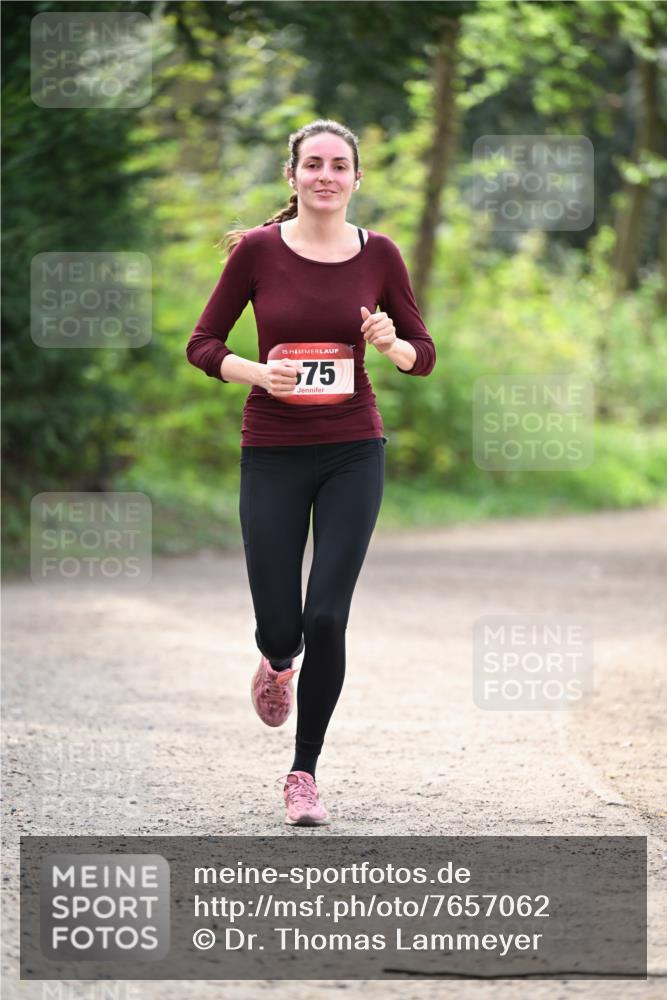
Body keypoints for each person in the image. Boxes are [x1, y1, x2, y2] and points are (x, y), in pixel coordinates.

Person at [186, 118, 436, 826]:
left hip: (354, 448)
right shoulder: (260, 252)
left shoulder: (380, 254)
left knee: (327, 615)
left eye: (338, 165)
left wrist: (391, 345)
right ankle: (274, 661)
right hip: (271, 450)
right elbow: (202, 343)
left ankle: (303, 773)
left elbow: (423, 351)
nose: (325, 175)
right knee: (280, 625)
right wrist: (257, 373)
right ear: (292, 176)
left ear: (356, 179)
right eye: (312, 164)